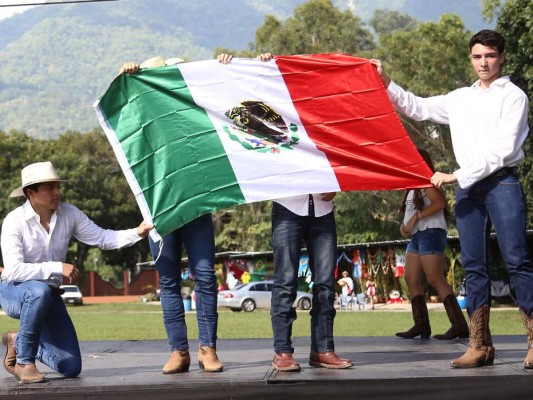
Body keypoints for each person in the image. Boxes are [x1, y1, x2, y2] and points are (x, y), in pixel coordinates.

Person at [371, 29, 533, 369]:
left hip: (501, 183)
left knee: (517, 260)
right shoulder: (460, 98)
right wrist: (386, 81)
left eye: (490, 55)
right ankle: (479, 345)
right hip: (469, 190)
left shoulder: (514, 97)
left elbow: (503, 150)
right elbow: (416, 107)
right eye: (477, 56)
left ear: (501, 57)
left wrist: (457, 175)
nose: (484, 62)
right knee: (473, 265)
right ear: (471, 59)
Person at [117, 54, 234, 374]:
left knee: (205, 277)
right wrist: (126, 78)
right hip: (159, 209)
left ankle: (207, 350)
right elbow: (121, 115)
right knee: (168, 282)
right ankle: (178, 352)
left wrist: (226, 67)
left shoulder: (190, 109)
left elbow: (223, 101)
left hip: (195, 205)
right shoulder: (141, 114)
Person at [0, 161, 152, 384]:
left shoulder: (69, 213)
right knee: (38, 290)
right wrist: (57, 267)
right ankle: (24, 362)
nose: (57, 192)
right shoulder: (14, 221)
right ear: (30, 193)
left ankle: (17, 339)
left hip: (48, 295)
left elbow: (102, 237)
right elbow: (13, 270)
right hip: (13, 291)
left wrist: (138, 232)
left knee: (70, 367)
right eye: (49, 188)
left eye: (57, 186)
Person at [396, 148, 468, 340]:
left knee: (435, 278)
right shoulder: (411, 185)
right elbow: (410, 216)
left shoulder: (427, 180)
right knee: (410, 278)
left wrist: (416, 217)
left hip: (432, 232)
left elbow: (440, 204)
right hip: (417, 235)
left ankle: (459, 325)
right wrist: (405, 225)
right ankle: (421, 325)